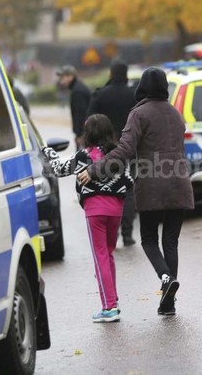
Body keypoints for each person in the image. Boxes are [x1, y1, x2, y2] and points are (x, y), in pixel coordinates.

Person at [78, 67, 194, 316]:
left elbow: (124, 151)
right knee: (170, 241)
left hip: (152, 187)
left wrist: (95, 169)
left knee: (149, 239)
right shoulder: (176, 114)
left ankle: (165, 278)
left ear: (142, 87)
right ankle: (169, 302)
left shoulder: (139, 114)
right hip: (179, 184)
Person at [42, 114, 133, 323]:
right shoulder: (117, 155)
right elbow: (129, 179)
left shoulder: (83, 156)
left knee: (100, 256)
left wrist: (48, 151)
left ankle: (109, 307)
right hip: (116, 210)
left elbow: (58, 169)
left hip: (95, 211)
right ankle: (112, 300)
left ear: (88, 134)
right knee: (108, 254)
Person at [87, 59, 138, 247]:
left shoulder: (100, 95)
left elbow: (90, 121)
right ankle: (127, 234)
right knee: (129, 190)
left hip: (105, 151)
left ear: (110, 74)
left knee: (107, 189)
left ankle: (112, 234)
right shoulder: (134, 95)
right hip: (129, 148)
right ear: (126, 75)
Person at [56, 64, 91, 150]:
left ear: (70, 76)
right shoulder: (77, 88)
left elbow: (81, 114)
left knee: (83, 156)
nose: (61, 81)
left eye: (63, 77)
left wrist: (80, 135)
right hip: (86, 133)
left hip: (85, 135)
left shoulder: (77, 91)